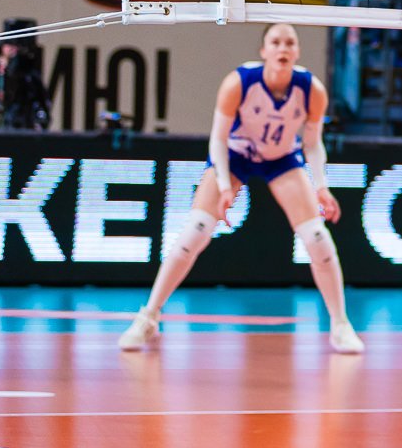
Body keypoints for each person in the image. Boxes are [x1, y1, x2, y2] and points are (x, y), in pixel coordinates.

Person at [119, 27, 359, 353]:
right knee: (195, 231)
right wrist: (223, 187)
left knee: (317, 237)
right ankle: (148, 317)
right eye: (276, 42)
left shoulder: (311, 90)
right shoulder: (239, 83)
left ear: (297, 51)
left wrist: (321, 186)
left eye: (289, 43)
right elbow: (217, 140)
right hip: (234, 155)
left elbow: (313, 144)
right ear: (264, 51)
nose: (282, 48)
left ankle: (340, 325)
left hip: (281, 158)